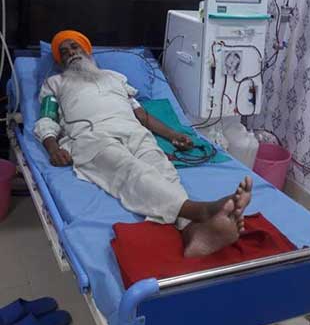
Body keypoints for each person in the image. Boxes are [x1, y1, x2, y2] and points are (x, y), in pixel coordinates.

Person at [35, 30, 251, 257]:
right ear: (59, 61)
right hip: (91, 136)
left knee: (162, 169)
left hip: (133, 130)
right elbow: (47, 120)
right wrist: (53, 148)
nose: (71, 53)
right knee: (129, 169)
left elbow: (141, 115)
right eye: (64, 52)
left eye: (75, 47)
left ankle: (191, 232)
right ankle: (202, 211)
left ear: (87, 51)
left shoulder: (114, 77)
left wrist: (172, 135)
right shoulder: (55, 83)